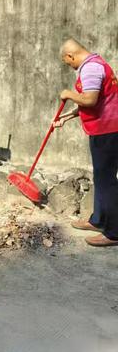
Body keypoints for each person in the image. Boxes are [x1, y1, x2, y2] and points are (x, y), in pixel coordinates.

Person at [54, 38, 118, 247]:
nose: (70, 66)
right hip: (106, 128)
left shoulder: (90, 68)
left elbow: (89, 99)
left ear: (70, 56)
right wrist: (66, 116)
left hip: (107, 130)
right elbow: (94, 102)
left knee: (106, 179)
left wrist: (68, 94)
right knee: (101, 177)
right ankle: (98, 220)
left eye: (67, 62)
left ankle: (114, 232)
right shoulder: (96, 63)